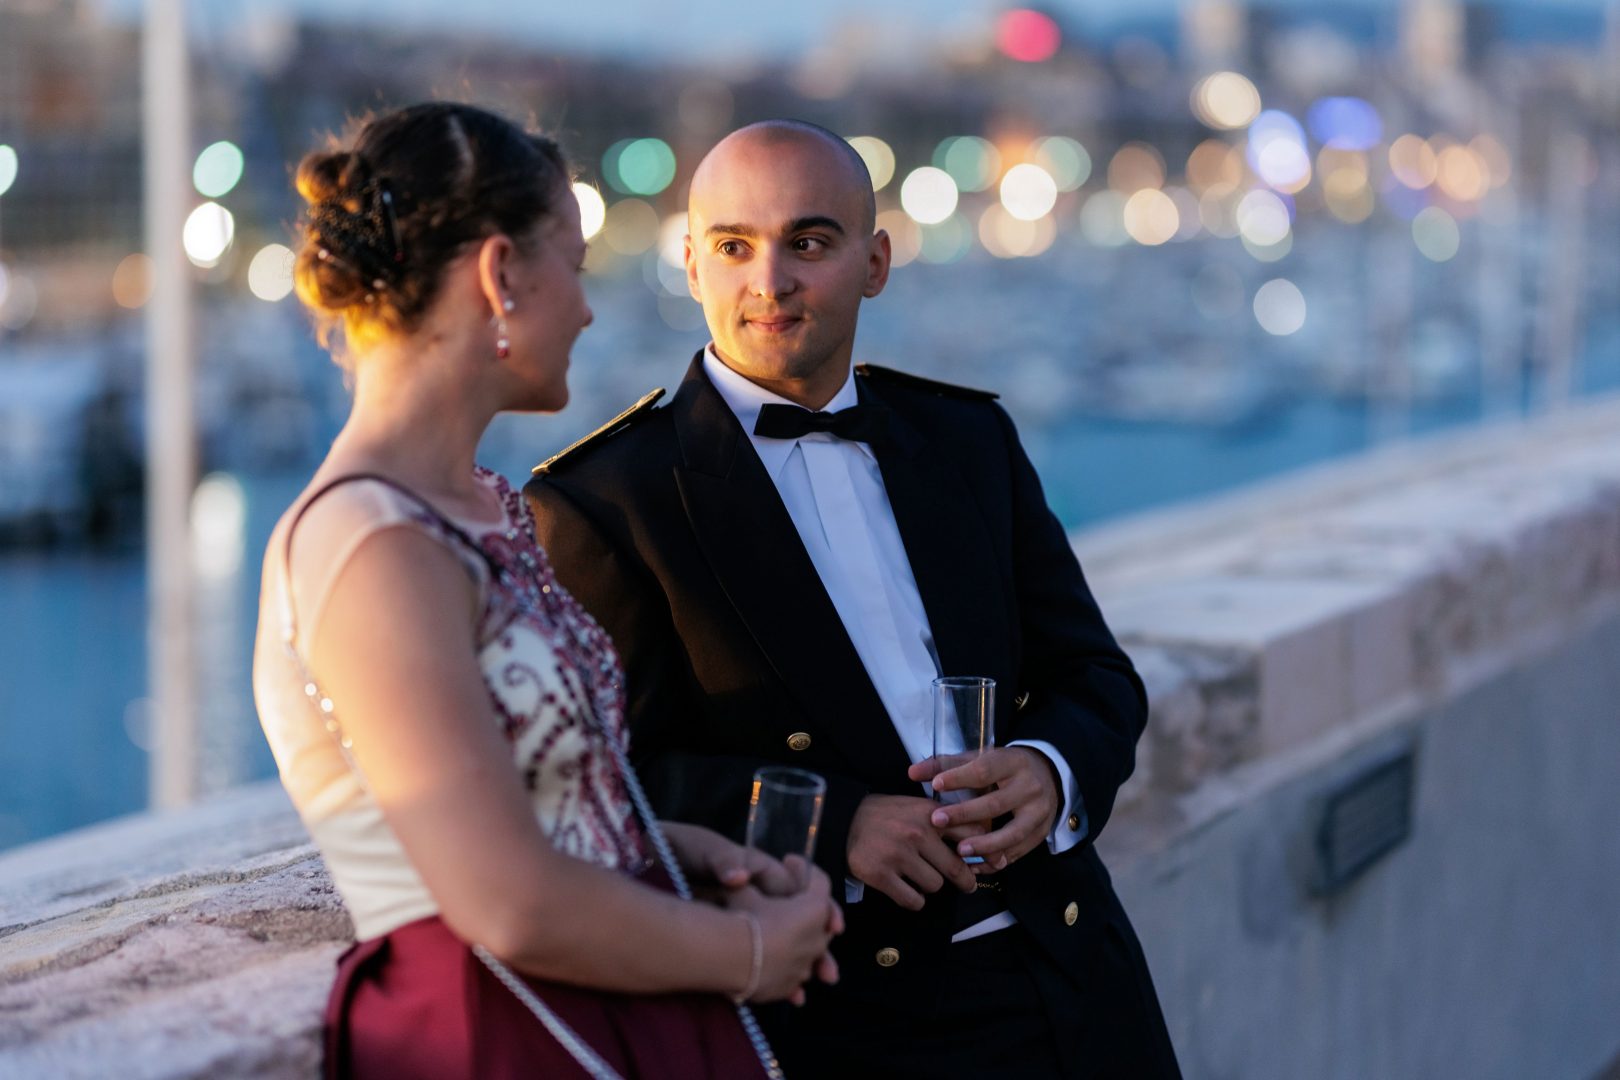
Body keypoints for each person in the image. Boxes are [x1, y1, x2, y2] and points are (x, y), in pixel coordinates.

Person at [523, 120, 1182, 1078]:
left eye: (811, 242)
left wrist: (1050, 770)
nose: (771, 281)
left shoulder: (967, 440)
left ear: (874, 262)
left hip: (1069, 978)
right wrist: (836, 825)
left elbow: (1095, 675)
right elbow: (612, 784)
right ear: (691, 263)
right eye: (735, 246)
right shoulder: (604, 502)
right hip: (843, 1015)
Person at [251, 103, 843, 1080]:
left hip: (581, 1008)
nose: (586, 305)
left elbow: (525, 795)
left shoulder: (469, 510)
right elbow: (505, 900)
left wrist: (660, 844)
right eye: (573, 262)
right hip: (497, 1031)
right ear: (500, 275)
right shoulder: (370, 546)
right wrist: (746, 955)